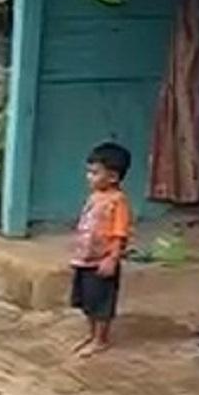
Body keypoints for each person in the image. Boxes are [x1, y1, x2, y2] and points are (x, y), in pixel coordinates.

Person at [71, 142, 133, 357]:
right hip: (85, 259)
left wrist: (112, 258)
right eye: (89, 172)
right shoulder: (95, 197)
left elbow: (119, 234)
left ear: (113, 177)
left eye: (95, 173)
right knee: (88, 300)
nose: (89, 177)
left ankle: (100, 339)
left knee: (102, 303)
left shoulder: (118, 202)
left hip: (102, 261)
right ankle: (92, 334)